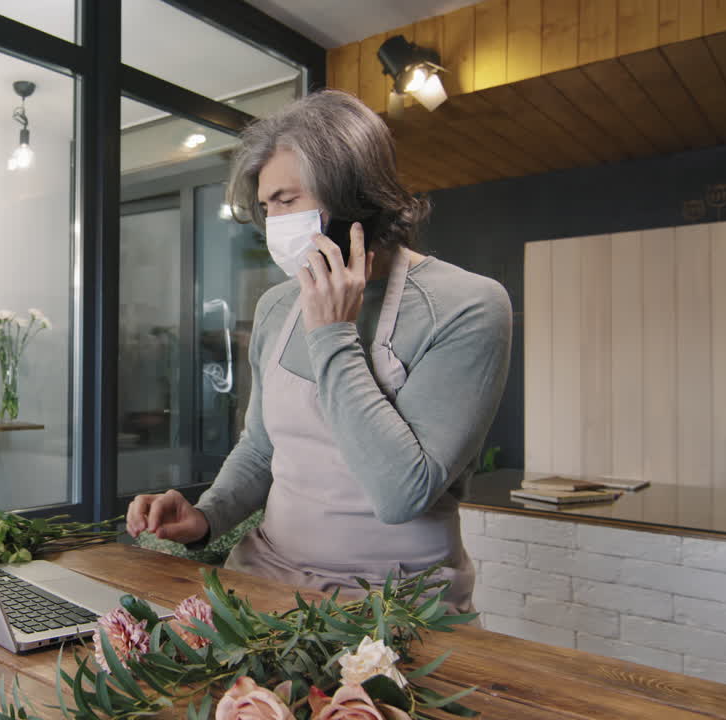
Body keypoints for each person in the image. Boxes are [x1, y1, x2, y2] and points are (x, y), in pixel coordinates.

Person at [126, 90, 512, 612]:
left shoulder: (469, 306)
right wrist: (207, 514)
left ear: (352, 195)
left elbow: (403, 493)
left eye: (287, 201)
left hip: (398, 608)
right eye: (266, 208)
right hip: (263, 582)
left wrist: (333, 333)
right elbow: (262, 447)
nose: (273, 224)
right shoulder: (276, 306)